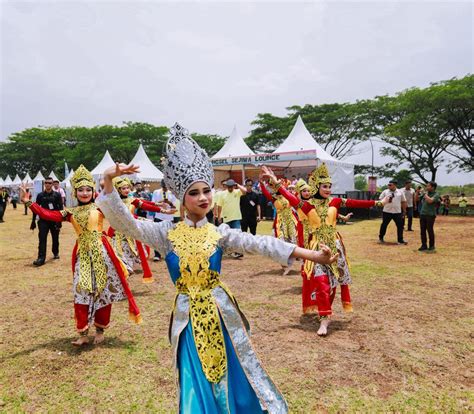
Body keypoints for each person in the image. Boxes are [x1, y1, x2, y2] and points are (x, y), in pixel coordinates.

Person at [97, 123, 338, 413]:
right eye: (194, 193)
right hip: (187, 318)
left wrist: (313, 255)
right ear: (181, 199)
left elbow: (260, 243)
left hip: (220, 312)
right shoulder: (166, 234)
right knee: (193, 379)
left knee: (233, 370)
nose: (203, 198)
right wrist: (109, 182)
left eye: (206, 191)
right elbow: (127, 224)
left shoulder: (220, 233)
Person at [21, 166, 142, 346]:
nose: (84, 193)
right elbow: (48, 214)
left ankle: (100, 329)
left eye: (88, 189)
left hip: (102, 252)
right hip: (83, 255)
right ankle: (83, 332)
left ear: (93, 191)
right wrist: (29, 203)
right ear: (75, 192)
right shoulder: (70, 213)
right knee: (81, 291)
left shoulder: (101, 207)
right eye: (80, 190)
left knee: (102, 290)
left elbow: (119, 212)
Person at [262, 164, 387, 335]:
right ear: (316, 187)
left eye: (329, 186)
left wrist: (379, 202)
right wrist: (275, 182)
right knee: (321, 281)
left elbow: (355, 203)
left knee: (333, 283)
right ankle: (324, 319)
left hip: (335, 246)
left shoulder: (335, 201)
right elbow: (288, 196)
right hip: (317, 248)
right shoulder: (306, 205)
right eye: (325, 186)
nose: (328, 189)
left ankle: (325, 313)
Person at [108, 176, 164, 283]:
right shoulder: (114, 202)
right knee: (119, 252)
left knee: (134, 251)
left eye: (127, 188)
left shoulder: (132, 200)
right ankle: (124, 270)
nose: (126, 190)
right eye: (123, 188)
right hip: (119, 232)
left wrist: (160, 208)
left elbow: (146, 205)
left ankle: (127, 269)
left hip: (132, 232)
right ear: (118, 190)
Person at [260, 179, 299, 275]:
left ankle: (297, 257)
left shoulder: (288, 195)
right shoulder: (273, 198)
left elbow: (298, 195)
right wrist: (261, 184)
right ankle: (285, 265)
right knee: (281, 241)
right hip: (281, 222)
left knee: (294, 240)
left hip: (291, 221)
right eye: (274, 186)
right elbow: (265, 193)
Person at [31, 177, 63, 266]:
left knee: (55, 238)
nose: (48, 184)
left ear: (52, 184)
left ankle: (55, 252)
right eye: (46, 183)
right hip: (43, 220)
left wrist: (59, 221)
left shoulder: (57, 195)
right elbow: (35, 208)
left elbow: (61, 208)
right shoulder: (40, 195)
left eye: (49, 183)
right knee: (42, 238)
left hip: (54, 220)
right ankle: (41, 258)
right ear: (44, 184)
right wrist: (33, 221)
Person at [151, 179, 177, 261]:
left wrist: (169, 203)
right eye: (164, 187)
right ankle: (157, 254)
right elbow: (152, 203)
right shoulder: (156, 192)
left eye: (166, 187)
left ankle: (168, 253)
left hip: (169, 217)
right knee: (157, 235)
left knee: (169, 236)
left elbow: (175, 207)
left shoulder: (172, 193)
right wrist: (161, 202)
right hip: (159, 216)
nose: (165, 189)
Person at [378, 180, 408, 245]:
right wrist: (385, 200)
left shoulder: (400, 192)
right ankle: (381, 238)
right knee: (384, 225)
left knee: (400, 226)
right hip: (387, 211)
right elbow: (380, 200)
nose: (388, 186)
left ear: (395, 185)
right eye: (388, 185)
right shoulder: (385, 192)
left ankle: (400, 240)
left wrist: (404, 211)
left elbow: (403, 201)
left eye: (390, 185)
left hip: (397, 212)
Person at [419, 181, 441, 252]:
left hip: (430, 215)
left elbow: (430, 201)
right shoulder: (426, 193)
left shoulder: (436, 194)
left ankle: (431, 246)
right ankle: (424, 245)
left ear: (433, 187)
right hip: (423, 214)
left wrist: (424, 194)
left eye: (428, 186)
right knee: (422, 231)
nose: (426, 187)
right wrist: (417, 193)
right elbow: (417, 199)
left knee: (430, 230)